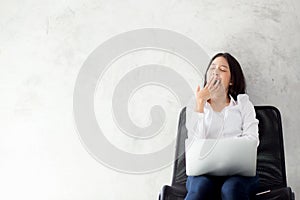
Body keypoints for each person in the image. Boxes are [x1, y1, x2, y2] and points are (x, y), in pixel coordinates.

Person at [184, 52, 260, 200]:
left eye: (223, 69)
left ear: (231, 81)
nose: (216, 72)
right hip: (203, 174)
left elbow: (252, 140)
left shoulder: (243, 105)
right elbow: (195, 145)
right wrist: (200, 104)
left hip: (239, 174)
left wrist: (220, 147)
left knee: (231, 189)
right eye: (212, 68)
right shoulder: (196, 106)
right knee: (199, 189)